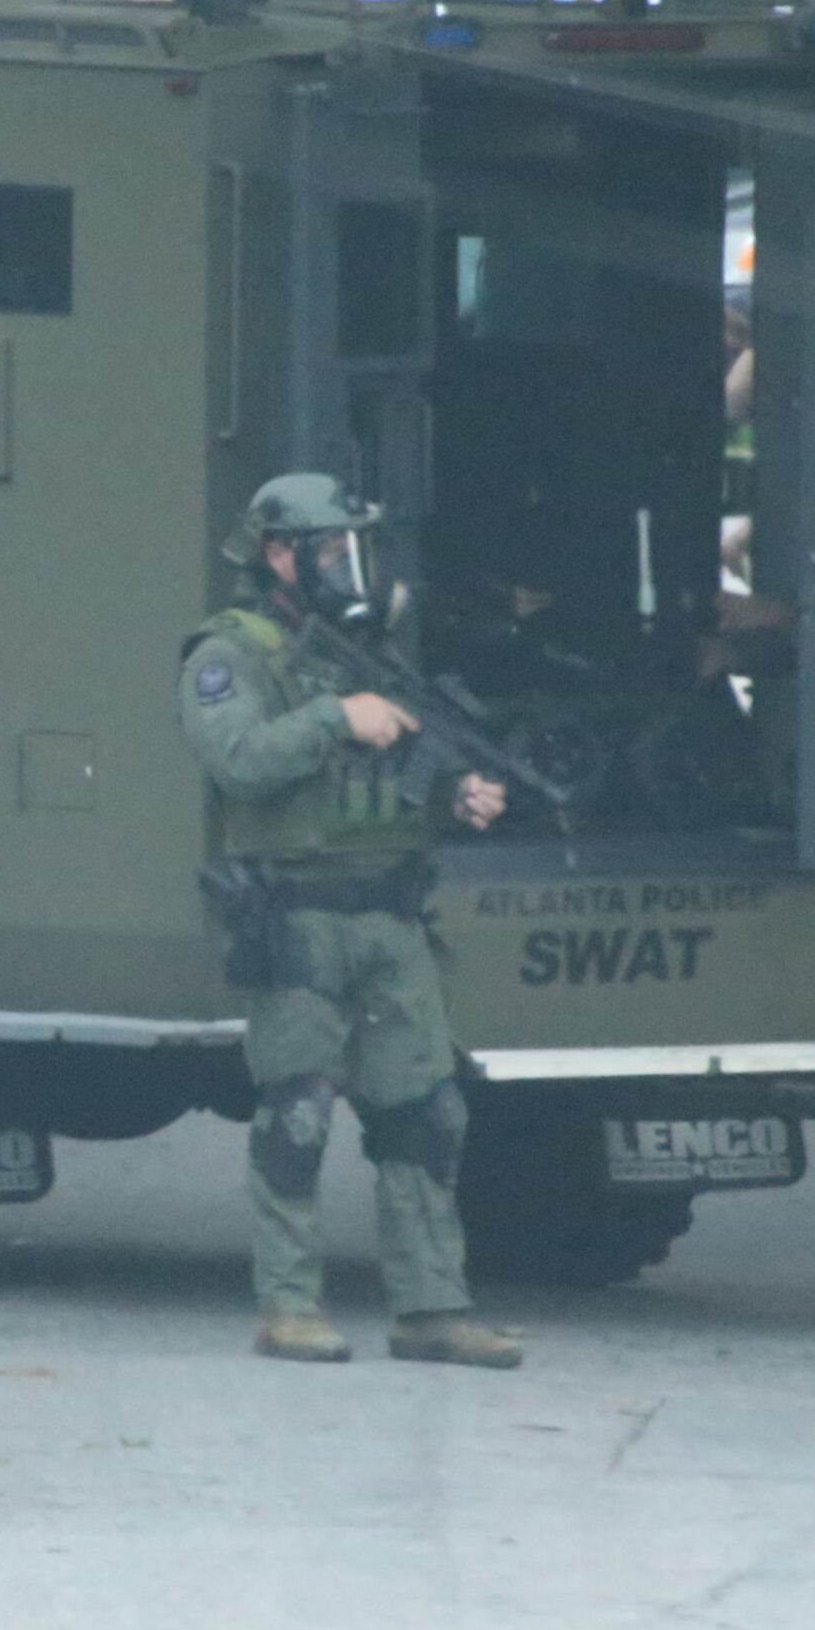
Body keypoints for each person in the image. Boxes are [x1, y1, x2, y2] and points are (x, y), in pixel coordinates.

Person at [178, 472, 525, 1368]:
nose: (349, 565)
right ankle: (289, 1304)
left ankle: (430, 1307)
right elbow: (237, 759)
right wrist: (337, 716)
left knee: (427, 1112)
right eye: (332, 549)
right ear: (279, 555)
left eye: (353, 548)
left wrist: (454, 797)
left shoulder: (361, 651)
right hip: (298, 917)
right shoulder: (232, 653)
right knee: (297, 1113)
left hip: (391, 913)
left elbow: (385, 772)